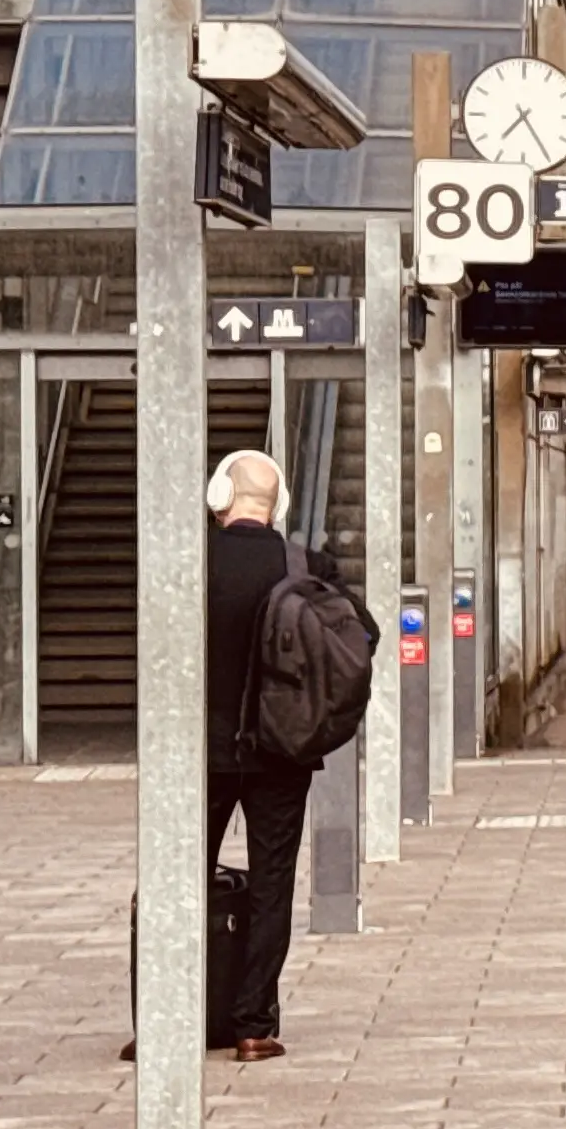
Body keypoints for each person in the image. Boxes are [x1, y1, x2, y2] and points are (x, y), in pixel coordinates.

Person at [202, 450, 341, 1060]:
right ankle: (254, 1025)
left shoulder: (188, 562)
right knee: (272, 881)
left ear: (218, 498)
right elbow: (356, 640)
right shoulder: (307, 568)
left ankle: (169, 1015)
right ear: (278, 505)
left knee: (180, 879)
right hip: (281, 751)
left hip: (198, 754)